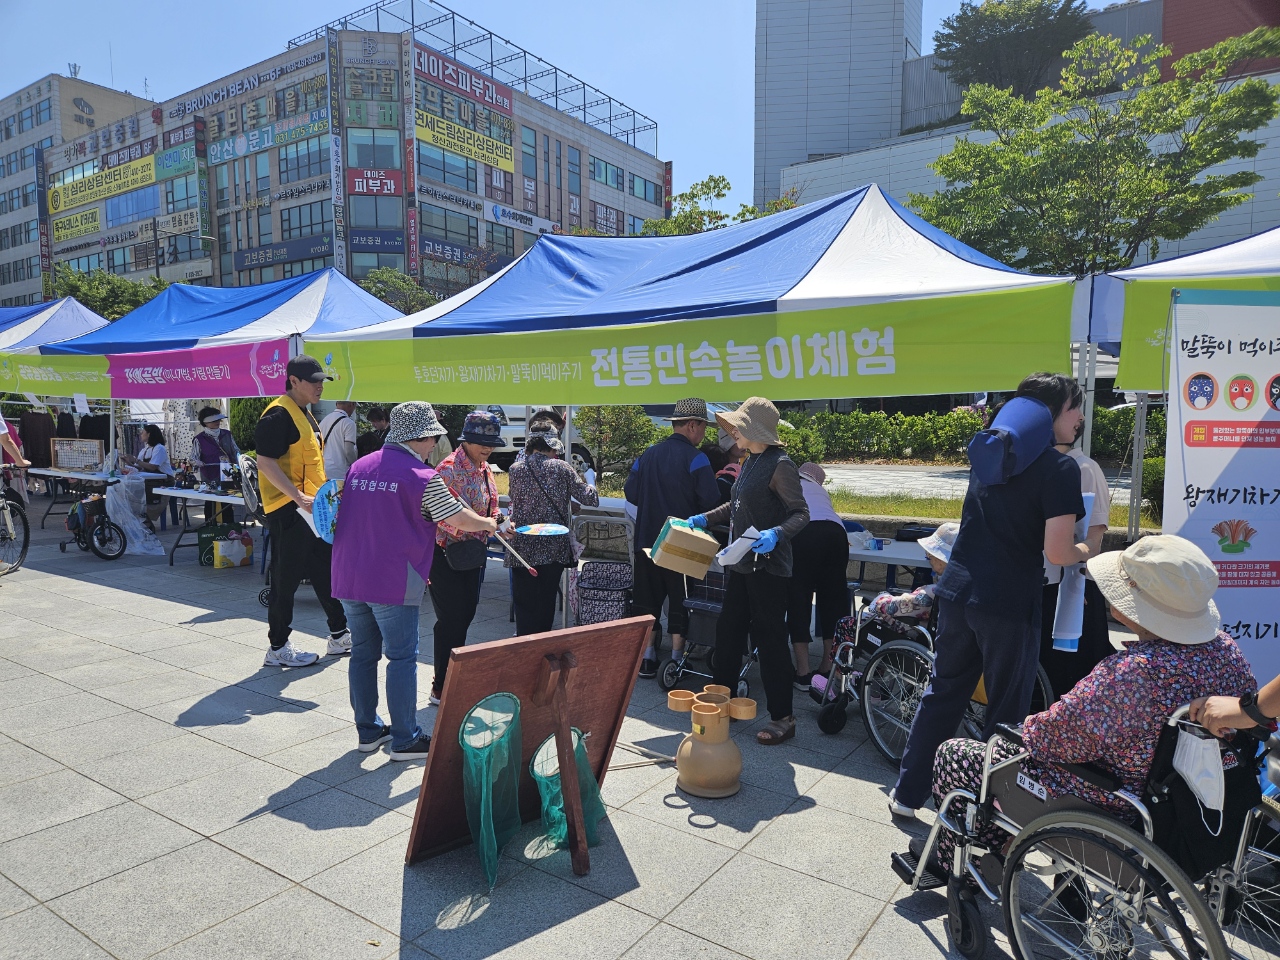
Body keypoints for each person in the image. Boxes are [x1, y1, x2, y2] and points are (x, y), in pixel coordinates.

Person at [901, 536, 1254, 869]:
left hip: (1110, 798)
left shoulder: (1135, 674)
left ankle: (953, 859)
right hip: (1185, 794)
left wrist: (1024, 729)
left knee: (960, 755)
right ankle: (1003, 847)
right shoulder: (1225, 650)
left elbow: (1054, 737)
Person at [890, 372, 1099, 819]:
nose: (1080, 417)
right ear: (1049, 415)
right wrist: (1092, 543)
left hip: (958, 594)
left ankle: (907, 795)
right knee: (1006, 712)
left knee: (942, 694)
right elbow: (1059, 551)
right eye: (1074, 407)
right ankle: (983, 813)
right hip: (1007, 604)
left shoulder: (989, 459)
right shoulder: (1060, 468)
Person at [331, 402, 498, 760]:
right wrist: (489, 524)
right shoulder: (421, 477)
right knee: (402, 657)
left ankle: (368, 731)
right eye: (433, 437)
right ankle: (405, 738)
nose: (434, 445)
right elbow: (459, 518)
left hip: (349, 573)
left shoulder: (360, 466)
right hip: (391, 578)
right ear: (420, 437)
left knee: (362, 653)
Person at [689, 397, 809, 745]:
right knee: (728, 632)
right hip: (741, 563)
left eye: (736, 429)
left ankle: (783, 717)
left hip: (769, 569)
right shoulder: (750, 460)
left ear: (752, 430)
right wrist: (703, 519)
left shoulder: (780, 464)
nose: (730, 435)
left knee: (770, 641)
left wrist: (776, 535)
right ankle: (720, 702)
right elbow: (735, 503)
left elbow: (800, 514)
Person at [255, 355, 349, 668]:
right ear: (294, 381)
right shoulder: (277, 415)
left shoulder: (304, 413)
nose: (321, 386)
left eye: (323, 380)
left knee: (325, 570)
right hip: (290, 511)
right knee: (286, 578)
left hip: (313, 510)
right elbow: (264, 462)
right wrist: (297, 497)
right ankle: (278, 646)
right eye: (314, 381)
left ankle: (339, 634)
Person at [624, 398, 721, 678]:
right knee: (681, 599)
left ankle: (648, 656)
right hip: (682, 543)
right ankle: (677, 658)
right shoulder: (697, 458)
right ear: (693, 425)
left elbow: (631, 493)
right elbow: (711, 501)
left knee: (646, 600)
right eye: (704, 427)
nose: (704, 434)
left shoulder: (648, 454)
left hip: (646, 540)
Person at [429, 410, 503, 702]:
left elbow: (491, 505)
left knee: (466, 614)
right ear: (466, 439)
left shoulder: (484, 467)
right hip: (446, 552)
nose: (487, 447)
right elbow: (438, 517)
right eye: (480, 441)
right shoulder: (447, 469)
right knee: (450, 619)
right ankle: (441, 684)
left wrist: (497, 522)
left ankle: (453, 677)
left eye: (491, 443)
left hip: (472, 553)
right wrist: (478, 525)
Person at [1039, 428, 1113, 700]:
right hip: (1043, 585)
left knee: (1072, 678)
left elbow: (1093, 537)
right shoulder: (1037, 466)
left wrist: (1076, 587)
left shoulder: (1085, 469)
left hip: (1073, 589)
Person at [506, 427, 598, 635]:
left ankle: (524, 648)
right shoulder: (562, 468)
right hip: (552, 545)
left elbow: (517, 499)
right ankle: (541, 652)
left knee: (524, 604)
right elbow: (590, 498)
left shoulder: (516, 469)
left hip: (522, 546)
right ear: (550, 448)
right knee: (545, 603)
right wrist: (591, 479)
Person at [784, 463, 852, 688]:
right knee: (833, 599)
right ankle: (828, 666)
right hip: (835, 533)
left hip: (802, 534)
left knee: (798, 600)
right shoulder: (821, 490)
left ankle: (802, 673)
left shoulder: (788, 482)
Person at [190, 407, 240, 523]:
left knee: (227, 502)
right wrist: (197, 462)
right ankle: (209, 528)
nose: (217, 422)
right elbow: (193, 458)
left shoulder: (227, 434)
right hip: (209, 474)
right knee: (210, 503)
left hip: (227, 473)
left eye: (218, 420)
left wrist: (239, 460)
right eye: (213, 420)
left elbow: (236, 450)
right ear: (205, 423)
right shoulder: (199, 439)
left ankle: (229, 529)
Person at [319, 400, 359, 481]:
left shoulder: (324, 420)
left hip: (323, 471)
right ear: (351, 404)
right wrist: (357, 468)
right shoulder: (348, 423)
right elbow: (349, 451)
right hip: (340, 473)